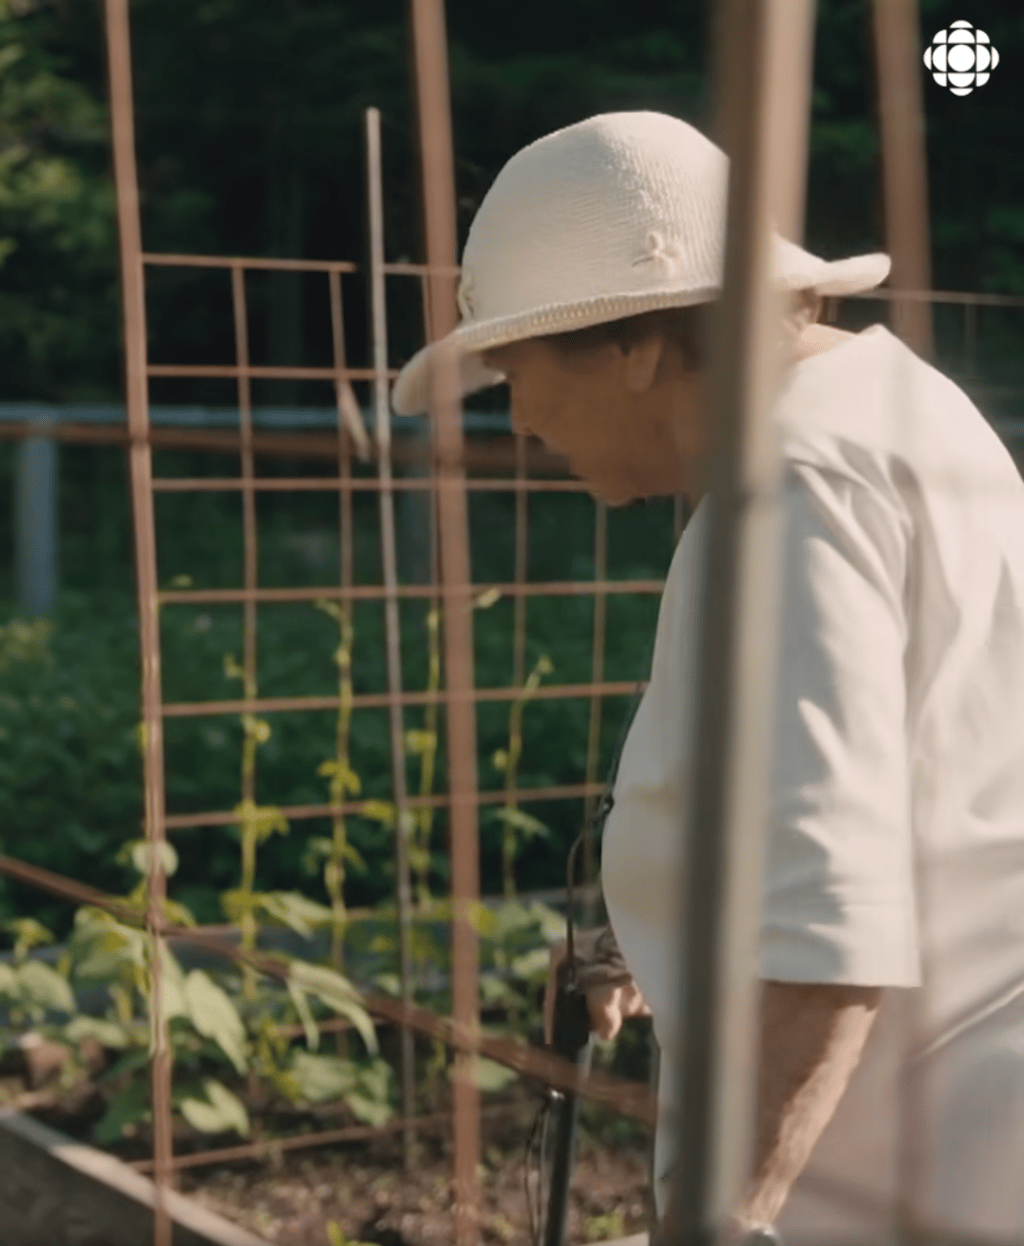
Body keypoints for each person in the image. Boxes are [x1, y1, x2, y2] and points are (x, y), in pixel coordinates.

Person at [392, 111, 1024, 1243]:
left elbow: (831, 932)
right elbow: (900, 777)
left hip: (892, 1183)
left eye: (517, 367)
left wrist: (715, 1221)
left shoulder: (781, 495)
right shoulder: (904, 410)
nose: (519, 417)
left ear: (635, 344)